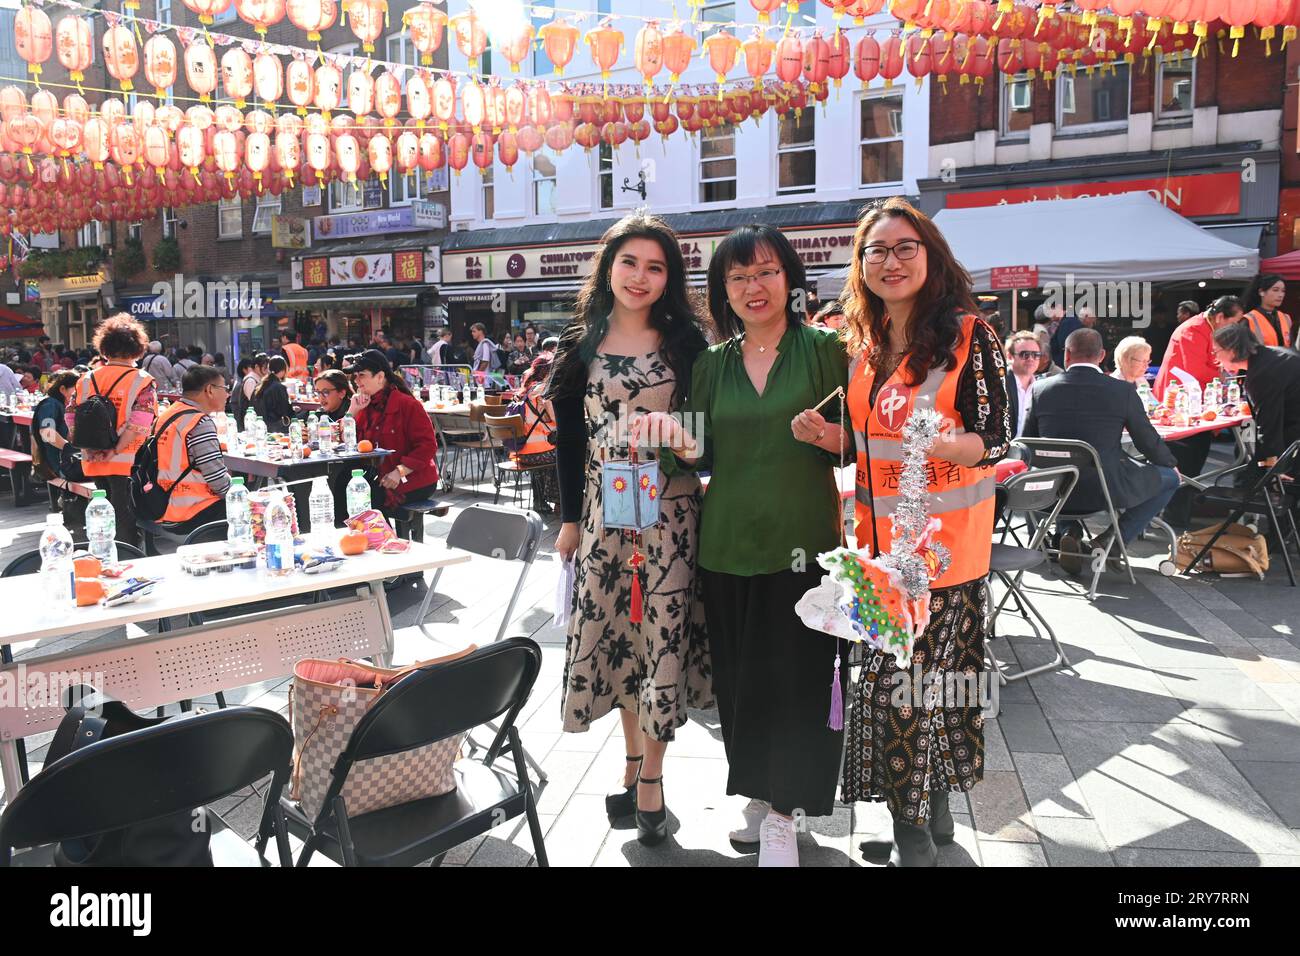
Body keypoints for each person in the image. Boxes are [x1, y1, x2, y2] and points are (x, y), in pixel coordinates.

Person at [659, 223, 847, 867]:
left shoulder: (826, 349)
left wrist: (829, 435)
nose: (754, 286)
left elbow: (865, 442)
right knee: (742, 681)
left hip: (807, 543)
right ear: (723, 292)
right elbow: (696, 449)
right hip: (728, 543)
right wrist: (663, 433)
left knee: (801, 675)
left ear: (790, 279)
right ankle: (757, 791)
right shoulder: (710, 364)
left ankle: (786, 806)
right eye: (737, 277)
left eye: (766, 271)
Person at [836, 197, 1010, 868]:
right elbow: (869, 448)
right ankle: (933, 830)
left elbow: (992, 439)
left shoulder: (970, 334)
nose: (890, 260)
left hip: (944, 561)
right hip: (878, 558)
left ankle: (916, 844)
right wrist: (834, 439)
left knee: (911, 700)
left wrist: (944, 437)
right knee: (907, 698)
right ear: (861, 266)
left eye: (905, 247)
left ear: (932, 257)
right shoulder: (866, 347)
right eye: (875, 250)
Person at [547, 214, 711, 849]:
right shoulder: (578, 344)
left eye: (656, 266)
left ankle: (652, 777)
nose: (640, 277)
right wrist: (566, 521)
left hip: (669, 514)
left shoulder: (687, 347)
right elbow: (568, 440)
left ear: (668, 278)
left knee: (660, 639)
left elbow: (705, 442)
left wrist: (680, 438)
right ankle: (630, 759)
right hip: (602, 516)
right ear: (607, 267)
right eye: (629, 263)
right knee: (618, 638)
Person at [1024, 328, 1180, 570]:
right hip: (1105, 490)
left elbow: (1027, 444)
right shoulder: (1121, 391)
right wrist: (1170, 463)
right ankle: (1111, 542)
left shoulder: (1040, 389)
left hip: (1051, 492)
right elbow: (1147, 442)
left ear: (1066, 355)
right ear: (1102, 355)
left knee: (1069, 472)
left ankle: (1069, 532)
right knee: (1169, 478)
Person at [67, 314, 157, 548]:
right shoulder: (142, 380)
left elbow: (71, 416)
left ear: (104, 348)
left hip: (92, 458)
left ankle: (107, 554)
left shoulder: (86, 379)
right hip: (128, 461)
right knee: (126, 515)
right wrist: (115, 449)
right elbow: (140, 424)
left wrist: (91, 446)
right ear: (137, 348)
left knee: (105, 512)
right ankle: (129, 557)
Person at [1152, 295, 1245, 490]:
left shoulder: (1210, 328)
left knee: (1194, 460)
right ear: (1220, 317)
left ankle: (1184, 508)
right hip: (1178, 403)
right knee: (1186, 462)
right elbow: (1194, 370)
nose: (1235, 327)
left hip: (1195, 401)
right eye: (1234, 321)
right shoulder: (1193, 329)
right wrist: (1222, 375)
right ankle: (1176, 515)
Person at [339, 349, 439, 520]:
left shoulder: (407, 404)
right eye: (355, 376)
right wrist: (352, 411)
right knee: (342, 486)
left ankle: (382, 541)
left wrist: (399, 472)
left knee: (368, 498)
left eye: (361, 375)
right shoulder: (363, 405)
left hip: (413, 477)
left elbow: (427, 446)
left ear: (380, 377)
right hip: (378, 475)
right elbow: (343, 439)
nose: (356, 381)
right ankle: (356, 539)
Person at [150, 365, 233, 532]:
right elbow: (219, 482)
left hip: (159, 505)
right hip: (192, 512)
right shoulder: (199, 423)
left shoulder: (168, 414)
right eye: (225, 388)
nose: (227, 394)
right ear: (209, 390)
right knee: (255, 511)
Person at [1212, 322, 1300, 476]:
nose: (1216, 359)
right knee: (1255, 466)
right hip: (1291, 431)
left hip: (1293, 439)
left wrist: (1273, 465)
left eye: (1216, 352)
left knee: (1254, 471)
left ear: (1231, 351)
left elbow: (1269, 424)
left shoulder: (1261, 374)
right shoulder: (1270, 356)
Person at [33, 370, 81, 482]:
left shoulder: (66, 406)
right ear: (62, 389)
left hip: (64, 460)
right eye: (76, 389)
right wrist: (68, 448)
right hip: (54, 463)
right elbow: (46, 432)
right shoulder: (50, 404)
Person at [1241, 274, 1293, 350]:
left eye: (1283, 291)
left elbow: (1291, 345)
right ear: (1261, 292)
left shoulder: (1286, 318)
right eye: (1275, 290)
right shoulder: (1248, 319)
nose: (1280, 295)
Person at [1005, 329, 1040, 437]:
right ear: (1010, 356)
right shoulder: (998, 383)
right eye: (1025, 354)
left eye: (1036, 355)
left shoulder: (1042, 388)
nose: (1031, 359)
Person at [252, 356, 294, 432]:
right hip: (277, 427)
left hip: (260, 427)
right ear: (283, 370)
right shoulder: (279, 387)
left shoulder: (259, 386)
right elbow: (285, 411)